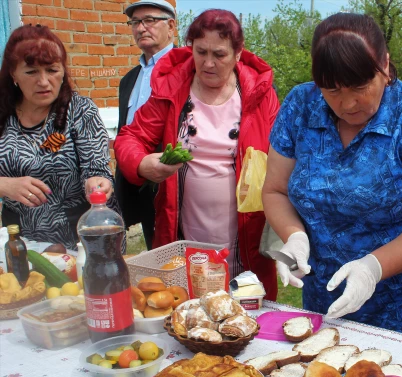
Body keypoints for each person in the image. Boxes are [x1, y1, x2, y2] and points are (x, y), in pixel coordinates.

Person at [263, 13, 402, 341]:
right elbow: (275, 191)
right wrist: (293, 238)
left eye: (360, 86)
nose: (348, 103)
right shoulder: (301, 105)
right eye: (332, 90)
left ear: (385, 65)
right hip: (324, 298)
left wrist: (373, 267)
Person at [114, 9, 278, 299]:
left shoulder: (259, 92)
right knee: (186, 308)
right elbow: (131, 136)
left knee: (245, 312)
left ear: (238, 53)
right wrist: (141, 163)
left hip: (246, 230)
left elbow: (284, 151)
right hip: (183, 224)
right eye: (200, 52)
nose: (208, 63)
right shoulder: (173, 86)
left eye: (220, 54)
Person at [0, 25, 119, 251]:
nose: (44, 81)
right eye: (31, 72)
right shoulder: (3, 115)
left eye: (52, 70)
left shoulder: (80, 111)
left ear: (63, 71)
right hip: (21, 241)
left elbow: (96, 167)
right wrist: (5, 185)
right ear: (13, 74)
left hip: (81, 237)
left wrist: (97, 182)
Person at [116, 0, 176, 250]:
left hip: (168, 176)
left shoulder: (185, 69)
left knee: (169, 251)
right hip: (130, 177)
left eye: (150, 20)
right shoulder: (129, 79)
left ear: (171, 26)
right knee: (135, 251)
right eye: (135, 22)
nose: (141, 28)